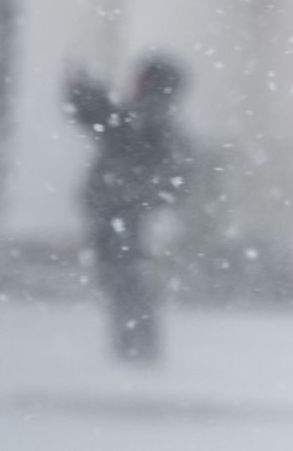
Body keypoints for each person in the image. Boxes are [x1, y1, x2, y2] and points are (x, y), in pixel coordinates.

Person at [65, 54, 191, 363]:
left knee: (123, 279)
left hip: (121, 210)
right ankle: (135, 344)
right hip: (121, 208)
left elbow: (106, 121)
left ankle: (135, 346)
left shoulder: (148, 116)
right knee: (124, 278)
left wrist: (83, 93)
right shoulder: (154, 117)